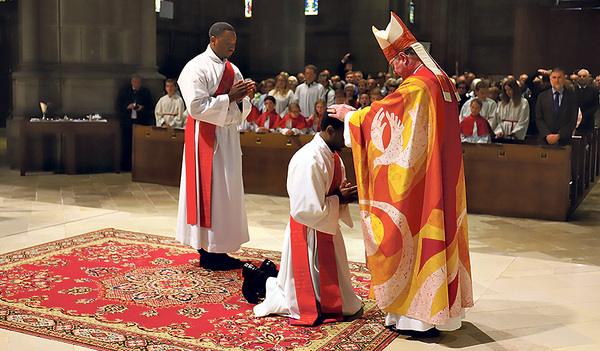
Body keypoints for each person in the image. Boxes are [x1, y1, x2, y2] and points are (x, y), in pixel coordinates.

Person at [328, 12, 473, 336]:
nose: (393, 70)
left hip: (421, 181)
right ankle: (439, 312)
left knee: (414, 236)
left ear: (406, 57)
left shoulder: (419, 85)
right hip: (440, 173)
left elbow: (388, 116)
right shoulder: (442, 80)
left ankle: (418, 318)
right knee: (438, 234)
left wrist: (352, 116)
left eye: (395, 62)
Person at [244, 113, 362, 326]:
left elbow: (327, 193)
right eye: (345, 134)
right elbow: (305, 209)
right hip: (308, 233)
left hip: (326, 229)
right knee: (298, 296)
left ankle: (264, 276)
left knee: (327, 294)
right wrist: (338, 198)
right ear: (330, 130)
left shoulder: (333, 155)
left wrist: (340, 194)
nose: (348, 140)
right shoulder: (308, 159)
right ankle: (260, 278)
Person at [176, 22, 256, 271]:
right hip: (205, 139)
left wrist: (244, 99)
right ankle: (207, 251)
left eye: (235, 43)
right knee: (207, 193)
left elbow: (243, 111)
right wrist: (229, 98)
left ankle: (219, 249)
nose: (233, 46)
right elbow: (196, 107)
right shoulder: (195, 67)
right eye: (227, 42)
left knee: (226, 195)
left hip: (228, 138)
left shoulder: (234, 69)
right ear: (213, 40)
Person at [116, 74, 153, 171]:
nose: (138, 84)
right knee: (127, 144)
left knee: (140, 144)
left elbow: (150, 105)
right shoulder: (125, 92)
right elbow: (119, 105)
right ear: (132, 82)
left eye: (139, 82)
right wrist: (127, 106)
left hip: (141, 121)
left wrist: (142, 107)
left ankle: (140, 166)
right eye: (136, 82)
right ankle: (126, 166)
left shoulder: (145, 92)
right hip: (127, 122)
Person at [536, 67, 578, 145]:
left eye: (559, 77)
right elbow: (539, 119)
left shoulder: (572, 98)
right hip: (545, 140)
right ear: (550, 79)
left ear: (564, 79)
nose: (556, 80)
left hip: (564, 141)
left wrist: (559, 135)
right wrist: (547, 135)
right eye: (554, 77)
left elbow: (572, 121)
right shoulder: (542, 96)